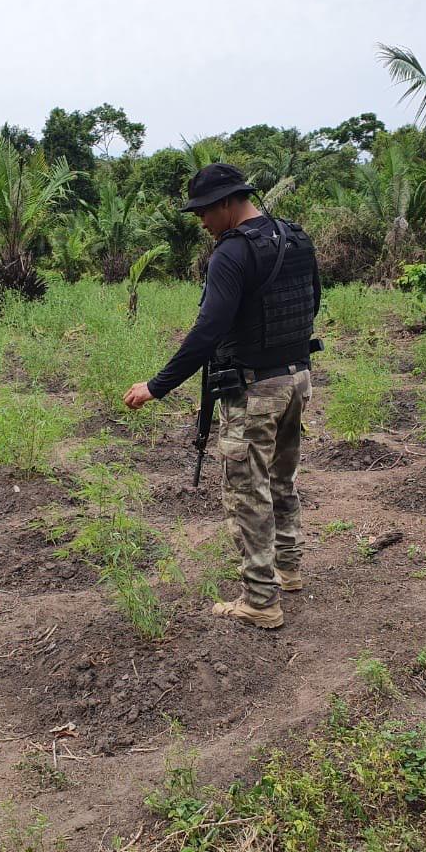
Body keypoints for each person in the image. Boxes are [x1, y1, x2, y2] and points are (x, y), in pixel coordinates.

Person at [123, 163, 321, 630]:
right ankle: (287, 569)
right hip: (298, 379)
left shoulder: (230, 255)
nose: (201, 222)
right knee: (282, 479)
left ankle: (259, 598)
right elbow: (312, 301)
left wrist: (157, 385)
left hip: (255, 391)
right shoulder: (295, 238)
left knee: (246, 492)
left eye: (205, 212)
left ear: (229, 203)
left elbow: (208, 330)